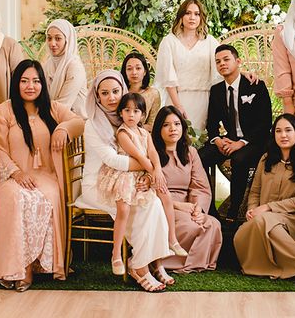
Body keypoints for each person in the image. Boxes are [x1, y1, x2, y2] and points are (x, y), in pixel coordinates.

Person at [0, 60, 84, 291]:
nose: (30, 86)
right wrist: (16, 173)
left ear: (43, 84)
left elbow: (78, 122)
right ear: (16, 83)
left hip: (46, 176)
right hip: (12, 177)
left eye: (36, 81)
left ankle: (34, 264)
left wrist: (62, 129)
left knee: (42, 197)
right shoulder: (3, 111)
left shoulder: (52, 108)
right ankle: (21, 268)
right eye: (24, 81)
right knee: (14, 198)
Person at [74, 70, 172, 292]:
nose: (111, 97)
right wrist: (152, 168)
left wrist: (150, 176)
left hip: (127, 180)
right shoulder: (93, 124)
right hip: (98, 184)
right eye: (105, 93)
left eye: (116, 91)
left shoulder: (128, 117)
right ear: (97, 97)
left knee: (154, 203)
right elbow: (113, 160)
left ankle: (155, 262)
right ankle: (139, 267)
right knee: (140, 209)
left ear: (123, 91)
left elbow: (143, 151)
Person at [96, 93, 187, 277]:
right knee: (123, 210)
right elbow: (138, 155)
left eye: (136, 111)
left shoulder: (144, 132)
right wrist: (153, 172)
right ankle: (116, 255)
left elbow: (153, 153)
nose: (131, 115)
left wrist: (158, 171)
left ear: (142, 115)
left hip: (144, 172)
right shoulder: (122, 133)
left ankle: (172, 239)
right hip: (126, 174)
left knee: (165, 196)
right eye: (127, 110)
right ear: (121, 113)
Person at [233, 114, 295, 282]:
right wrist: (252, 209)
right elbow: (255, 191)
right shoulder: (266, 159)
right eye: (278, 131)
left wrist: (267, 208)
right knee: (242, 234)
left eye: (288, 130)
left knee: (265, 221)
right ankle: (275, 264)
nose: (283, 135)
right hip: (263, 217)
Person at [200, 44, 272, 222]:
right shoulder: (216, 90)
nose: (222, 64)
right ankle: (210, 210)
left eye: (226, 59)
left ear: (238, 61)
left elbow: (265, 122)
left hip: (254, 141)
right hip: (228, 140)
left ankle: (233, 212)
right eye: (218, 61)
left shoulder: (255, 85)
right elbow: (211, 123)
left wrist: (242, 142)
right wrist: (217, 140)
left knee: (239, 159)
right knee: (199, 158)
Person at [152, 106, 222, 273]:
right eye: (166, 125)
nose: (172, 129)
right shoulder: (151, 153)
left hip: (189, 205)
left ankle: (195, 262)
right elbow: (149, 189)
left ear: (183, 127)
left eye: (177, 124)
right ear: (158, 129)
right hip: (163, 206)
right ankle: (166, 262)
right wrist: (178, 206)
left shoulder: (190, 152)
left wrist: (198, 208)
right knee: (193, 227)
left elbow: (200, 186)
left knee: (213, 224)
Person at [155, 0, 221, 132]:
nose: (192, 17)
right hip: (177, 98)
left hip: (204, 100)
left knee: (199, 140)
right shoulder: (169, 42)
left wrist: (243, 74)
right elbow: (168, 77)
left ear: (201, 18)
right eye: (188, 13)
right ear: (181, 16)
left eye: (197, 14)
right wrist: (178, 106)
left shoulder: (210, 41)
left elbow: (223, 67)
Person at [43, 19, 88, 118]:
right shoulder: (47, 65)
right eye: (49, 38)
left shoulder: (75, 66)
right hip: (52, 115)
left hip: (76, 121)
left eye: (58, 38)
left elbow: (63, 105)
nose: (52, 43)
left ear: (67, 40)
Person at [121, 52, 161, 129]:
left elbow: (152, 125)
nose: (134, 72)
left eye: (138, 68)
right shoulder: (120, 92)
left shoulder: (153, 93)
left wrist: (134, 130)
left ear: (145, 71)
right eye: (129, 69)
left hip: (143, 136)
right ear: (125, 72)